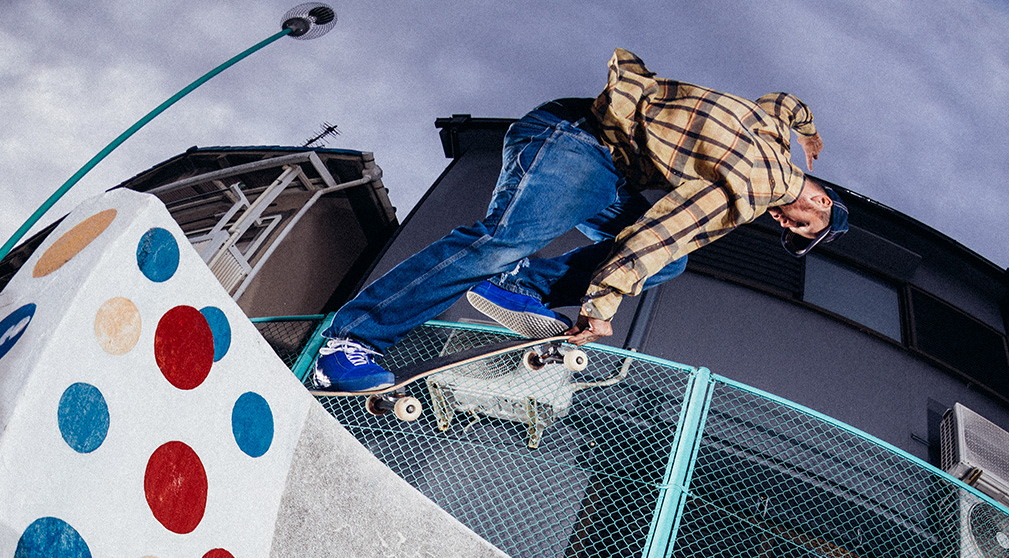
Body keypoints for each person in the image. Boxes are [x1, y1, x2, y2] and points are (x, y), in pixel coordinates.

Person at [314, 48, 849, 392]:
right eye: (799, 226)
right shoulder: (761, 186)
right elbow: (658, 235)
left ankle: (518, 284)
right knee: (506, 239)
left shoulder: (773, 134)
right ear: (820, 203)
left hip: (610, 167)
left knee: (670, 268)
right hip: (578, 140)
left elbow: (786, 101)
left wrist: (807, 129)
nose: (784, 224)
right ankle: (352, 339)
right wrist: (600, 307)